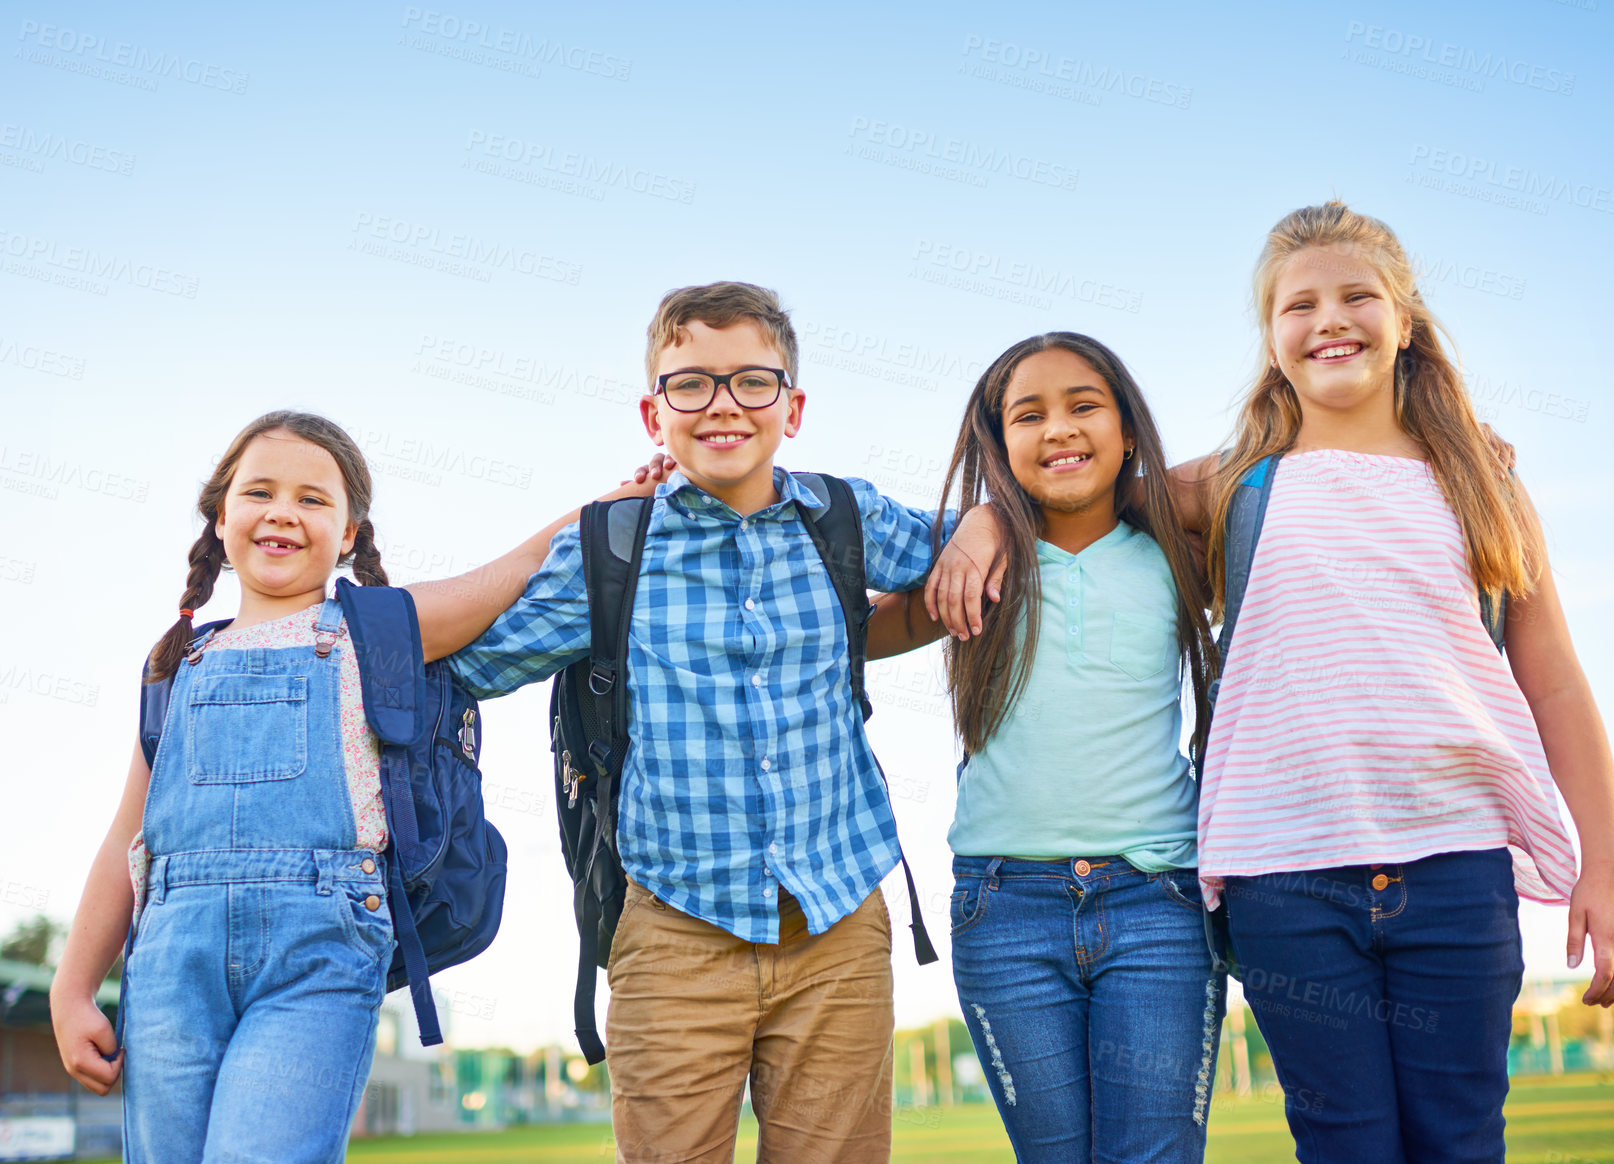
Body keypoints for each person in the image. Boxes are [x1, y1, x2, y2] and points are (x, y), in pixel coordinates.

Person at [931, 202, 1614, 1163]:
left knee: (1462, 1139)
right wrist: (985, 518)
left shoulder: (1483, 482)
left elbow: (1551, 677)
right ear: (1272, 341)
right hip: (1285, 879)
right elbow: (1068, 483)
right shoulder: (1230, 485)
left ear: (1406, 319)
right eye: (1298, 304)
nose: (1329, 319)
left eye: (1357, 295)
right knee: (1343, 1142)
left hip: (1456, 866)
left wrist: (1611, 867)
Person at [445, 281, 955, 1163]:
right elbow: (470, 663)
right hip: (675, 928)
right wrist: (573, 522)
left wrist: (982, 525)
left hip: (837, 918)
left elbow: (983, 551)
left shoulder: (846, 516)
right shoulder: (611, 548)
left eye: (752, 382)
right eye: (691, 385)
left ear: (792, 408)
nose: (723, 405)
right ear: (654, 412)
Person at [49, 411, 585, 1162]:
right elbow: (124, 842)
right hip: (171, 962)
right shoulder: (176, 662)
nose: (282, 513)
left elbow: (518, 567)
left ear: (351, 533)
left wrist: (622, 501)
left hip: (319, 952)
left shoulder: (383, 629)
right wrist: (72, 990)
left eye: (312, 499)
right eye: (259, 492)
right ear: (221, 517)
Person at [866, 332, 1223, 1163]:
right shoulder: (971, 569)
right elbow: (843, 639)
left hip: (1156, 905)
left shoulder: (1181, 555)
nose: (1058, 428)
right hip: (1005, 909)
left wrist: (1425, 431)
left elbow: (1264, 463)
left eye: (1084, 406)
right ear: (999, 445)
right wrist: (987, 521)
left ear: (1128, 430)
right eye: (1029, 415)